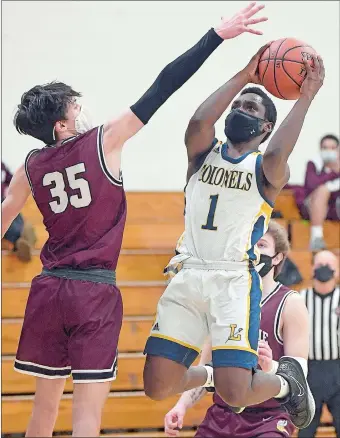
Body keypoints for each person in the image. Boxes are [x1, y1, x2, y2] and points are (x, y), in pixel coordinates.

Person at [1, 4, 268, 437]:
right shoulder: (103, 140)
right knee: (87, 417)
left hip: (48, 289)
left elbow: (3, 219)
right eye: (76, 106)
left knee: (42, 411)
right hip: (92, 292)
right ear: (63, 125)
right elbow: (163, 84)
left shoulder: (29, 166)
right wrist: (216, 36)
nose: (84, 108)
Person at [143, 32, 325, 429]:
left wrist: (307, 97)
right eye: (238, 105)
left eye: (250, 107)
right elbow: (198, 120)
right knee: (157, 386)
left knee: (236, 393)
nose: (239, 109)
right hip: (188, 272)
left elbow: (279, 151)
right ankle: (212, 376)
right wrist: (245, 75)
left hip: (232, 279)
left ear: (266, 125)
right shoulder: (201, 153)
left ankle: (287, 385)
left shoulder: (267, 168)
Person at [164, 221, 309, 438]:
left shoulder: (290, 303)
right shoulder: (224, 301)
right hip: (224, 414)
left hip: (268, 417)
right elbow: (207, 368)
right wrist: (181, 405)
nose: (254, 251)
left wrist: (270, 367)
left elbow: (299, 374)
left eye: (262, 245)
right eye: (251, 245)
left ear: (278, 257)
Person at [298, 250, 340, 438]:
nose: (324, 268)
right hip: (310, 370)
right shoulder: (299, 298)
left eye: (329, 265)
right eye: (319, 264)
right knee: (306, 429)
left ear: (337, 271)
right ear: (312, 268)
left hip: (337, 367)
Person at [287, 134, 340, 251]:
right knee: (322, 190)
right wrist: (333, 172)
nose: (328, 151)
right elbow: (311, 185)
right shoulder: (313, 164)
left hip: (335, 208)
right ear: (320, 149)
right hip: (312, 205)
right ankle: (316, 237)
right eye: (325, 148)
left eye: (332, 148)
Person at [1, 161, 36, 261]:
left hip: (5, 200)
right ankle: (18, 243)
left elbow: (11, 179)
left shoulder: (2, 166)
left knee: (19, 219)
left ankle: (20, 243)